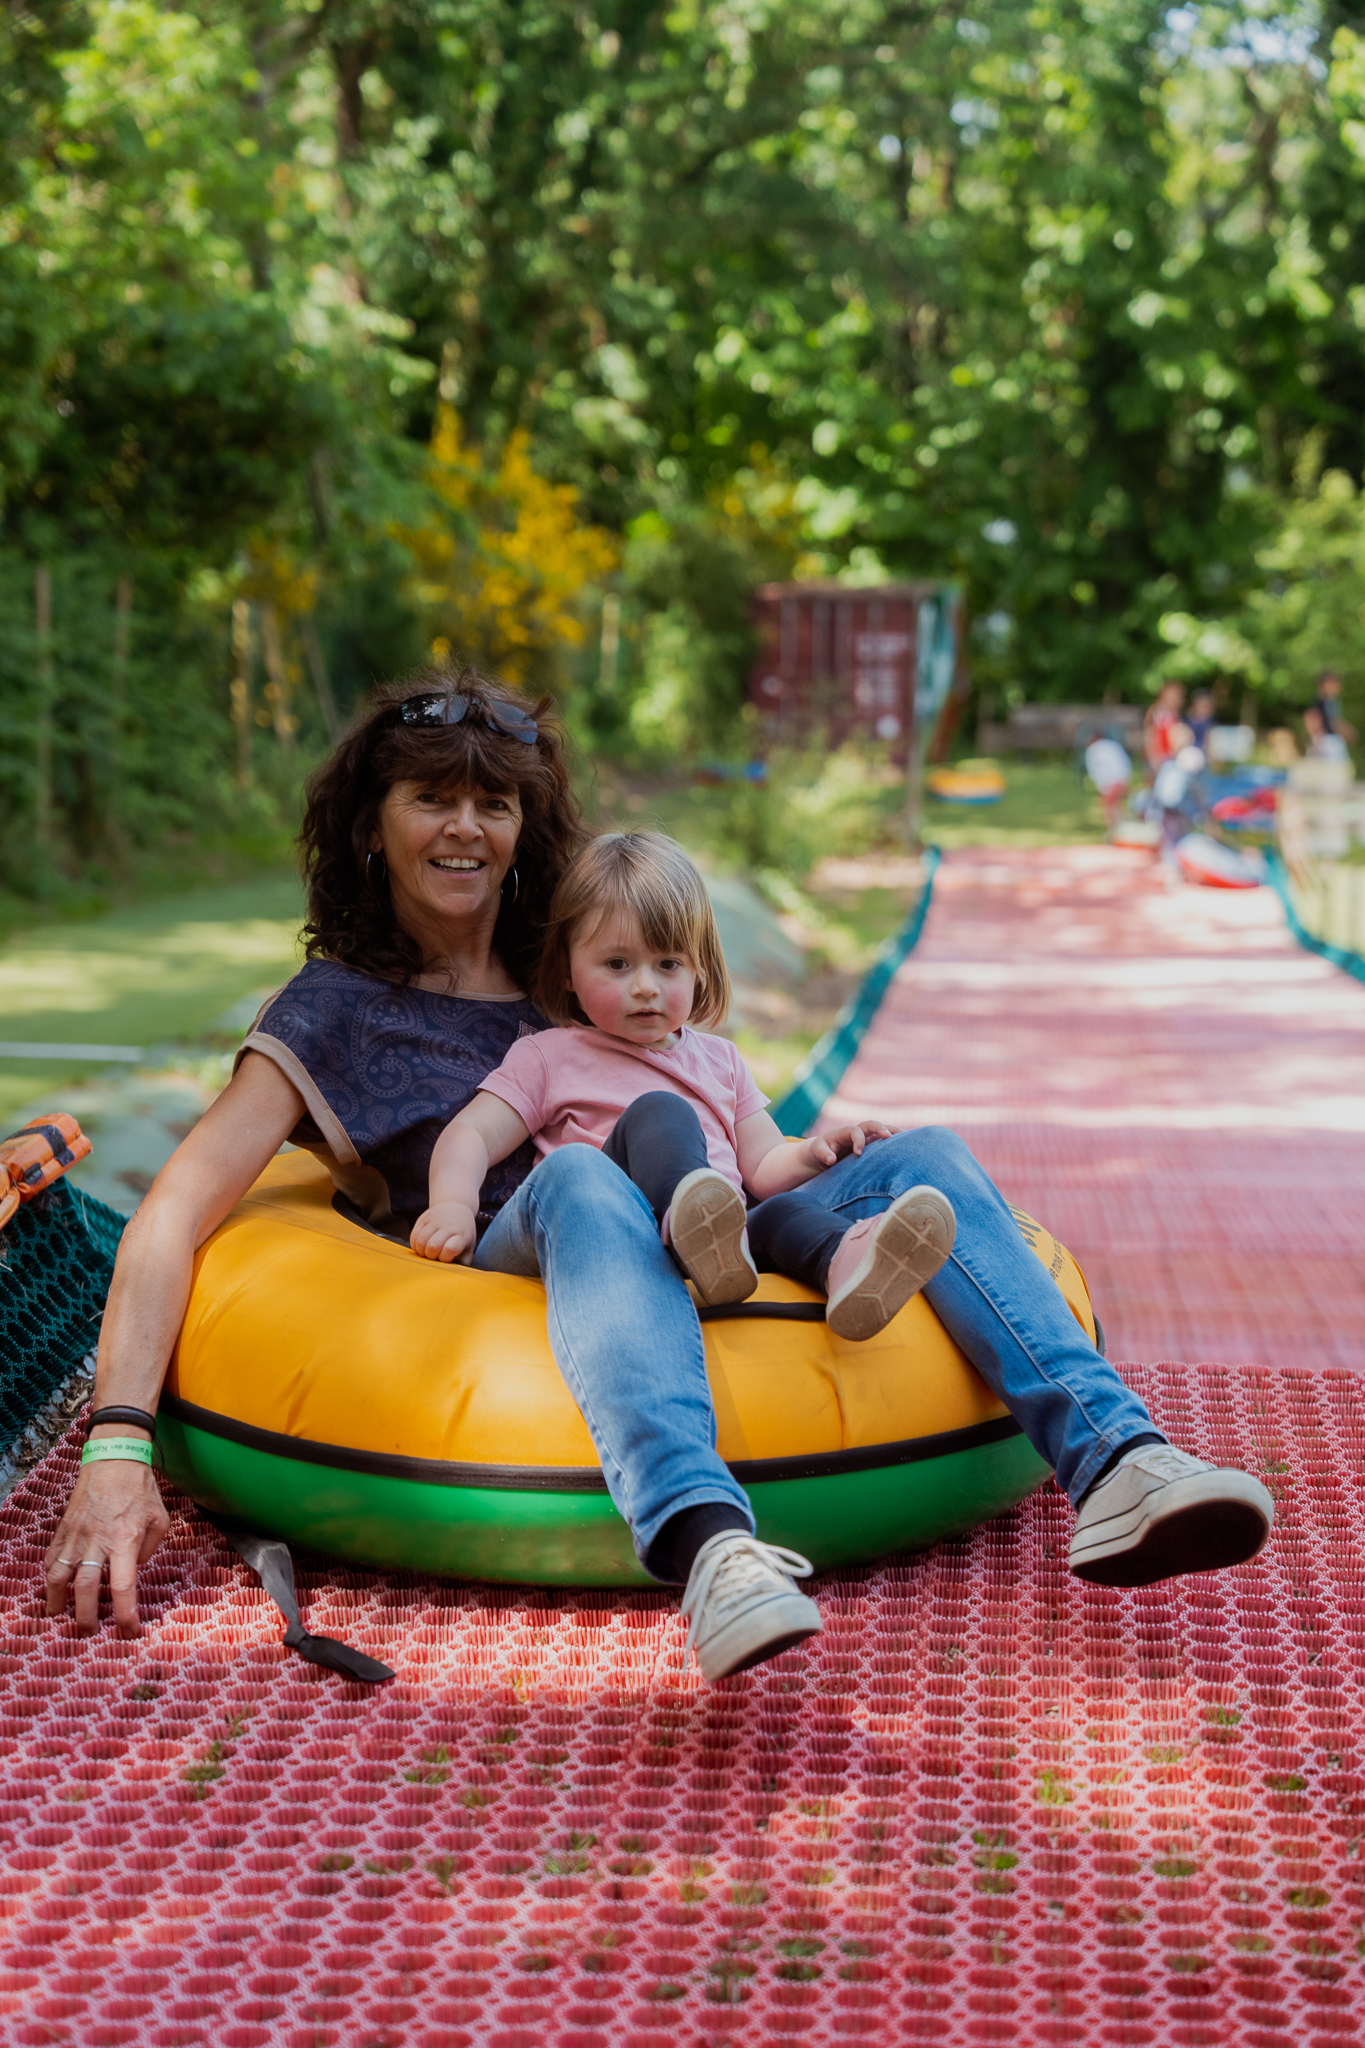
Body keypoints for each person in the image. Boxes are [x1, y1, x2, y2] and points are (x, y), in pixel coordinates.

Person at [44, 669, 1276, 1687]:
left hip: (701, 1218)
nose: (466, 828)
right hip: (530, 1247)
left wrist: (805, 1155)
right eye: (431, 799)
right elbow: (171, 1220)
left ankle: (1117, 1459)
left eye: (493, 803)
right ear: (374, 824)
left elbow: (705, 1079)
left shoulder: (568, 955)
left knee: (924, 1157)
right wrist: (118, 1444)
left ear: (528, 824)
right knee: (585, 1174)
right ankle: (711, 1549)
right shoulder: (331, 1015)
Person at [412, 831, 957, 1350]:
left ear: (698, 970)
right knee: (662, 1113)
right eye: (617, 964)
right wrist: (453, 1206)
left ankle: (850, 1260)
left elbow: (762, 1165)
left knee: (780, 1216)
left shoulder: (720, 1060)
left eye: (668, 963)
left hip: (726, 1242)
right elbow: (473, 1133)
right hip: (613, 1236)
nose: (645, 985)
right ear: (568, 971)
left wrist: (815, 1153)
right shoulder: (550, 1055)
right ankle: (685, 1215)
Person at [1144, 680, 1185, 773]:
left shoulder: (1174, 715)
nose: (1174, 700)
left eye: (1176, 697)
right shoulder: (1158, 713)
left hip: (1169, 758)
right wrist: (1154, 759)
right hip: (1158, 757)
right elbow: (1150, 736)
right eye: (1171, 697)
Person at [1313, 671, 1357, 746]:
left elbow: (1336, 719)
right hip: (1324, 739)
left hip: (1333, 738)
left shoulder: (1334, 702)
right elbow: (1312, 718)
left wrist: (1347, 730)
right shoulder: (1320, 701)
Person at [1185, 687, 1216, 757]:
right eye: (1203, 706)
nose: (1207, 710)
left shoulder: (1211, 724)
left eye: (1209, 706)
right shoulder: (1184, 723)